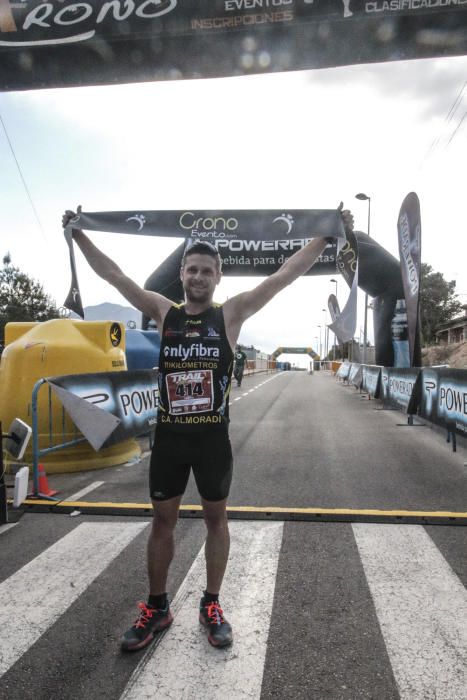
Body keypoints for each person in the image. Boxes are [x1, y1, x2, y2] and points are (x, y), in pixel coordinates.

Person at [62, 204, 353, 651]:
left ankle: (211, 603)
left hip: (212, 440)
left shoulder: (230, 314)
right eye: (192, 270)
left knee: (217, 519)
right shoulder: (164, 312)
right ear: (182, 273)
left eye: (206, 272)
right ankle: (157, 607)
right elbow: (116, 276)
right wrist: (79, 236)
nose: (198, 278)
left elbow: (284, 276)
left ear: (218, 278)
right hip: (172, 440)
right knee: (163, 521)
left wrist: (328, 235)